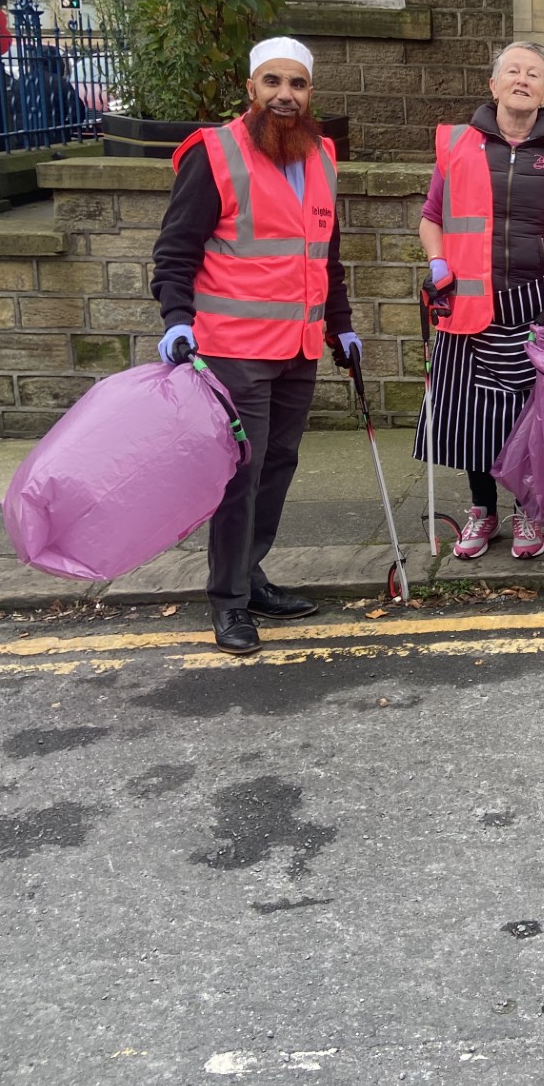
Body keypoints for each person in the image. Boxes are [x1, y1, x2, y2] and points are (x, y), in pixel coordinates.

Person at [151, 37, 359, 656]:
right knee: (240, 475)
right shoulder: (214, 154)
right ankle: (229, 602)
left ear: (311, 92)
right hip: (233, 349)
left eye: (296, 84)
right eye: (273, 83)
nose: (285, 96)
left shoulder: (322, 155)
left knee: (277, 466)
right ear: (251, 89)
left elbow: (327, 255)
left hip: (298, 347)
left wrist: (340, 325)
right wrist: (175, 317)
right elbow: (176, 249)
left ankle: (251, 573)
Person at [416, 41, 544, 561]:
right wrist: (436, 263)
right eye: (512, 71)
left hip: (538, 302)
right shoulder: (455, 145)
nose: (522, 79)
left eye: (534, 73)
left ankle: (526, 511)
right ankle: (482, 511)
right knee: (474, 415)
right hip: (468, 302)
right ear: (493, 85)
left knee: (527, 417)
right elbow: (432, 216)